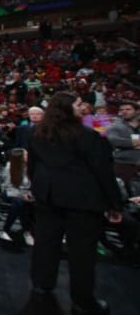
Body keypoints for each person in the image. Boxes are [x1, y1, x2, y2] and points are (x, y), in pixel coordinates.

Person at [26, 91, 123, 315]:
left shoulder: (37, 133)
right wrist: (114, 204)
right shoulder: (87, 136)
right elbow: (103, 172)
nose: (82, 107)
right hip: (82, 201)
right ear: (66, 109)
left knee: (45, 244)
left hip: (48, 197)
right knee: (82, 253)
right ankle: (82, 299)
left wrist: (38, 189)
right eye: (78, 104)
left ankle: (42, 284)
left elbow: (33, 168)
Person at [106, 100, 140, 184]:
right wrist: (134, 143)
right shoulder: (114, 126)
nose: (124, 111)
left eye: (128, 109)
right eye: (121, 110)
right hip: (124, 164)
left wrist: (130, 143)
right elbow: (114, 141)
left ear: (137, 111)